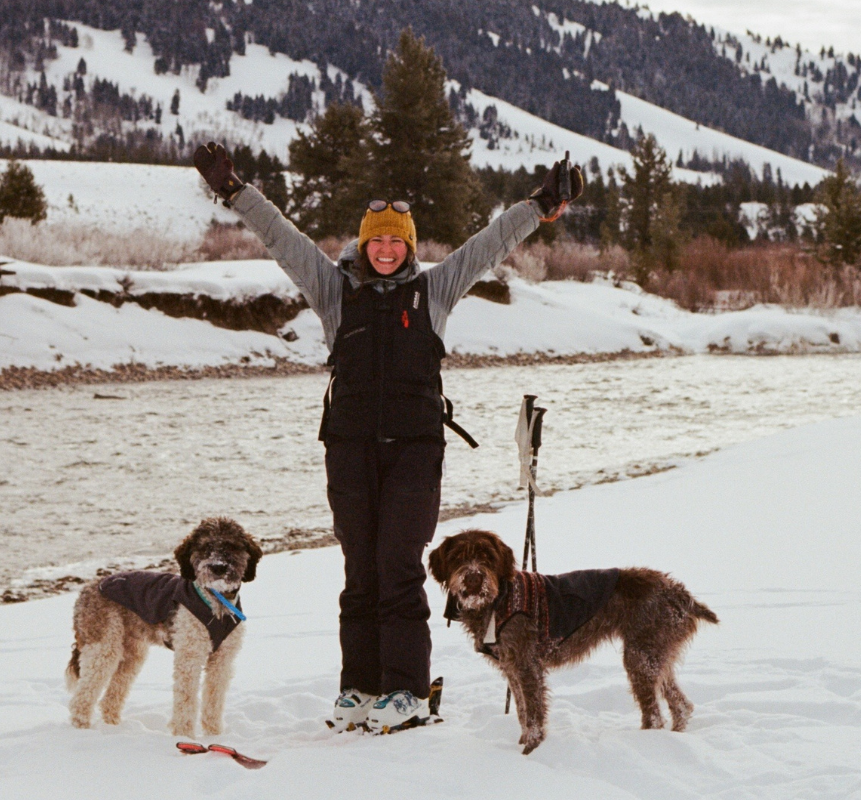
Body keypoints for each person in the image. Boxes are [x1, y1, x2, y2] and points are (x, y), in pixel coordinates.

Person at [193, 143, 583, 732]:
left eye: (396, 240)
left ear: (408, 245)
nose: (385, 249)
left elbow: (489, 243)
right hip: (348, 451)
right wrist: (235, 192)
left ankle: (405, 692)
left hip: (415, 453)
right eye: (376, 239)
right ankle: (359, 688)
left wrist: (540, 204)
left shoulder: (435, 290)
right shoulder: (333, 289)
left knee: (398, 566)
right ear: (363, 242)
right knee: (360, 571)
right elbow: (281, 238)